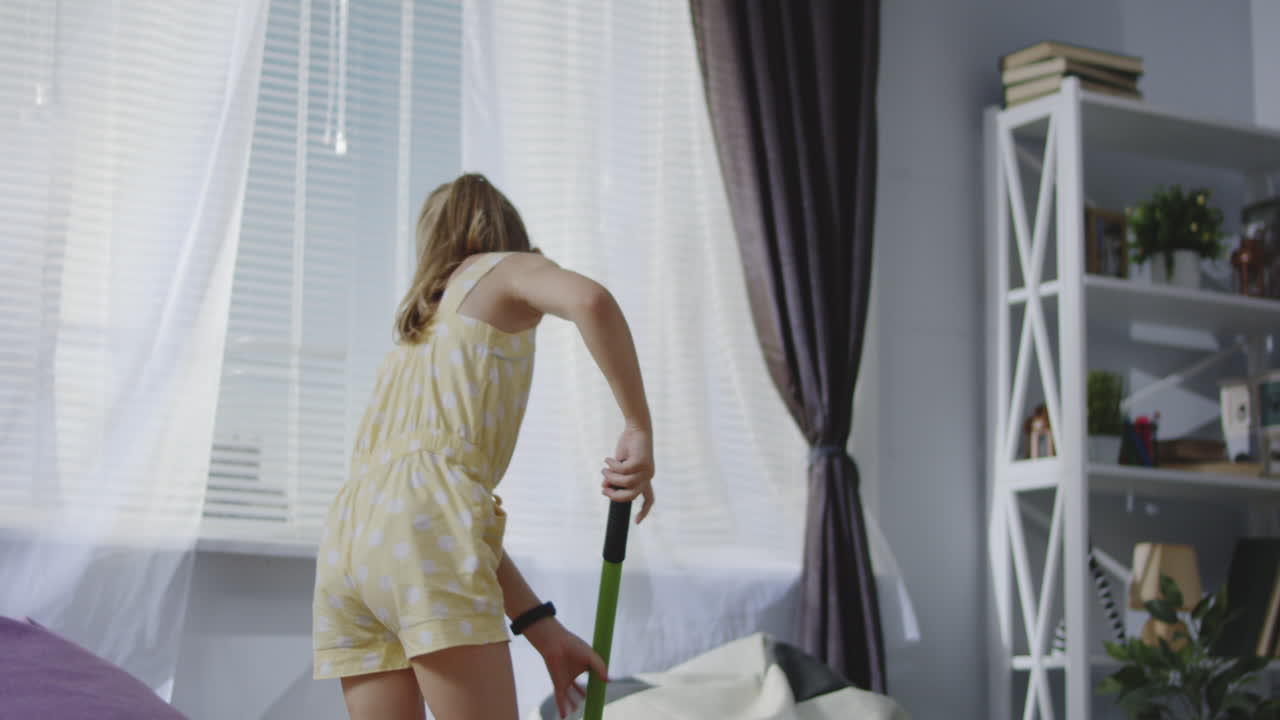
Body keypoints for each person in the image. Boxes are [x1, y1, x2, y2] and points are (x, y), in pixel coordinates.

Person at [312, 173, 655, 720]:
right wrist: (637, 424)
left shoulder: (413, 339)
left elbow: (435, 519)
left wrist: (542, 628)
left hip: (347, 542)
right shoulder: (503, 266)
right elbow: (590, 299)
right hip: (421, 533)